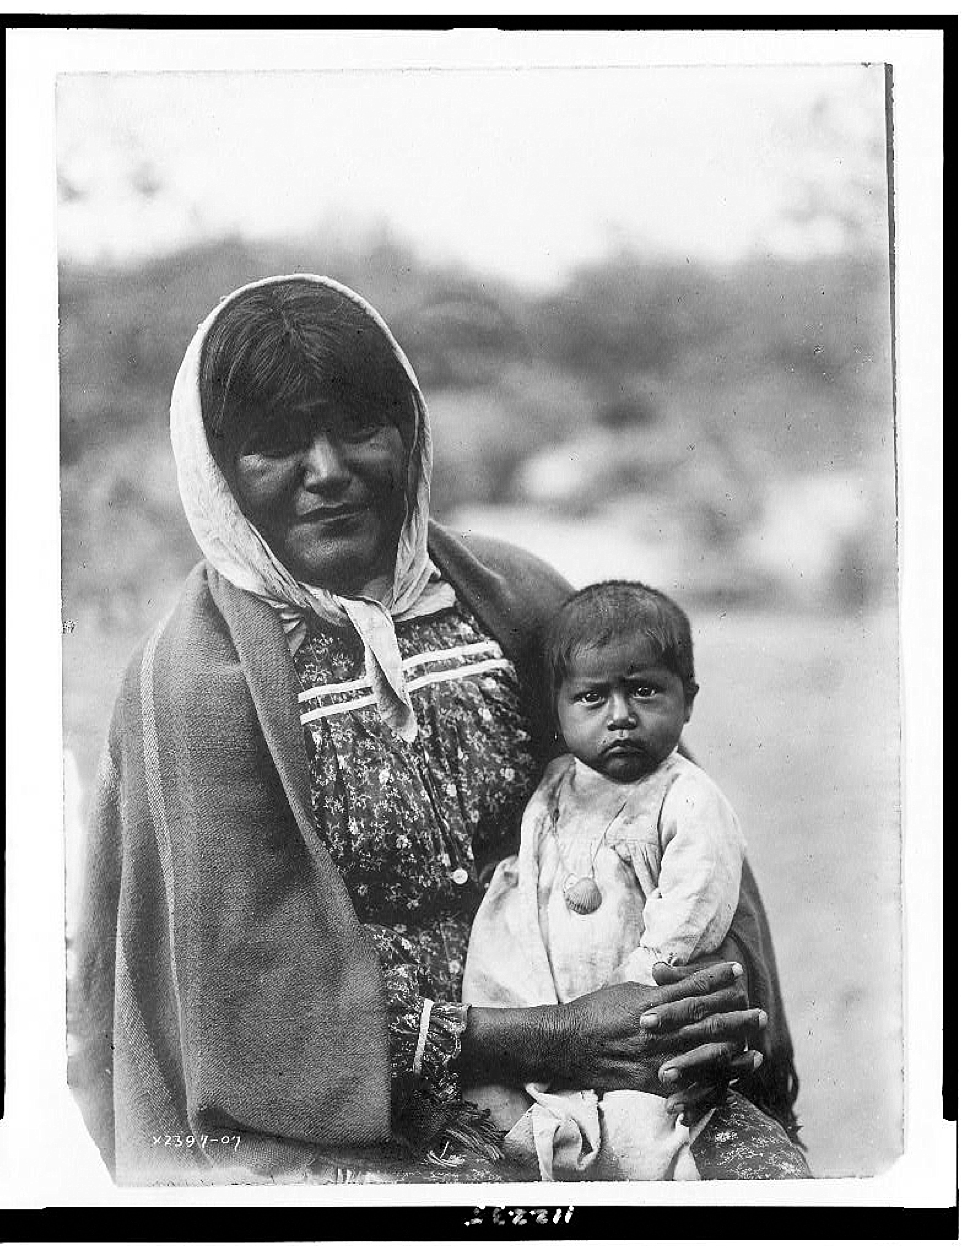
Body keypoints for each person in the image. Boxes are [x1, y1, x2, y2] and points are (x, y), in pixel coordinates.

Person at [69, 274, 806, 1186]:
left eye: (360, 427)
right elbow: (247, 1022)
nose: (329, 471)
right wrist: (554, 1039)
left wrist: (696, 997)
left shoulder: (517, 599)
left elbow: (674, 814)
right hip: (342, 1123)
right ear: (217, 472)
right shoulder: (195, 689)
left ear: (411, 430)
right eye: (273, 444)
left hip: (622, 1057)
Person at [464, 581, 804, 1180]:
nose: (620, 717)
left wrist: (642, 988)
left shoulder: (686, 798)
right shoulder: (553, 790)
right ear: (559, 706)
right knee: (518, 1133)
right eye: (592, 698)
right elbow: (532, 875)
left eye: (644, 691)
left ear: (688, 699)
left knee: (650, 1141)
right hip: (563, 1019)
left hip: (642, 1021)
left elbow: (695, 901)